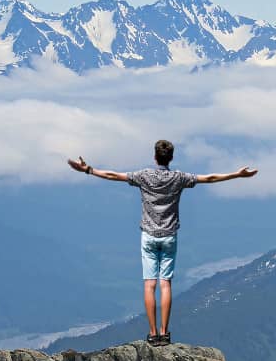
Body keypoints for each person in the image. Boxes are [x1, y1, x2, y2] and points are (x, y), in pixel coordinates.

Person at [66, 140, 257, 346]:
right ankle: (165, 334)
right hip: (169, 236)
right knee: (165, 284)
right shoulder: (179, 178)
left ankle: (152, 333)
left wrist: (88, 170)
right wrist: (237, 174)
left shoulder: (144, 176)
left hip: (148, 235)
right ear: (171, 158)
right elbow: (209, 178)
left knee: (150, 285)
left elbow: (113, 175)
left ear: (155, 157)